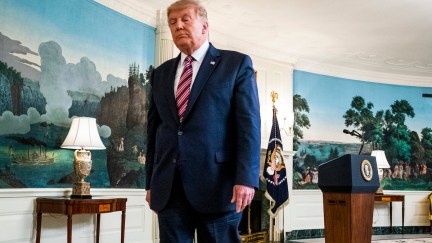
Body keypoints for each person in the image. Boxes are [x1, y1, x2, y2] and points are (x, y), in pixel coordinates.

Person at [144, 0, 261, 242]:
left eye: (185, 19)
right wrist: (150, 183)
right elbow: (154, 131)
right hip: (169, 189)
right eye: (173, 22)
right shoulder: (160, 74)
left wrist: (246, 179)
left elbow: (248, 127)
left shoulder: (236, 65)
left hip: (220, 187)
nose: (178, 26)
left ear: (205, 26)